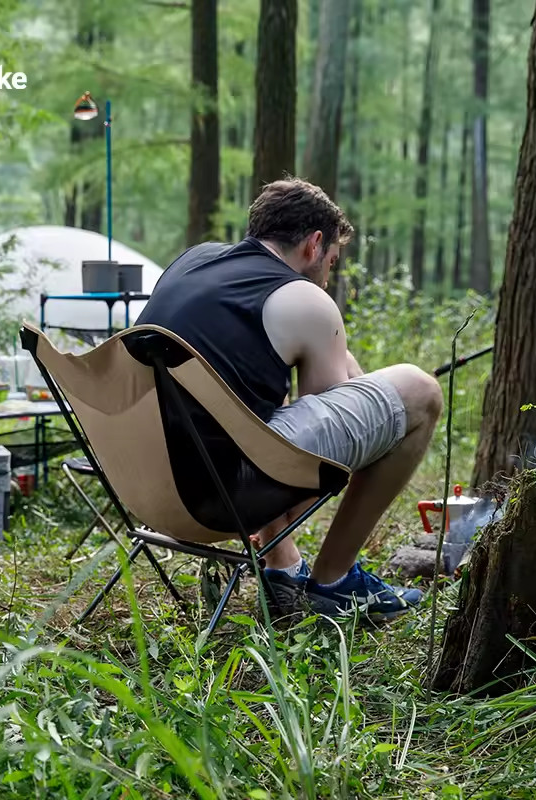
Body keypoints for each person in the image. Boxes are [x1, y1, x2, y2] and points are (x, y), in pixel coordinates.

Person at [136, 178, 443, 620]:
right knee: (420, 390)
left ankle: (282, 566)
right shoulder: (301, 297)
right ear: (315, 244)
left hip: (147, 490)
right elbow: (322, 454)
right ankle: (335, 581)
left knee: (250, 419)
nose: (328, 276)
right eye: (332, 262)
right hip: (218, 499)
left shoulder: (193, 261)